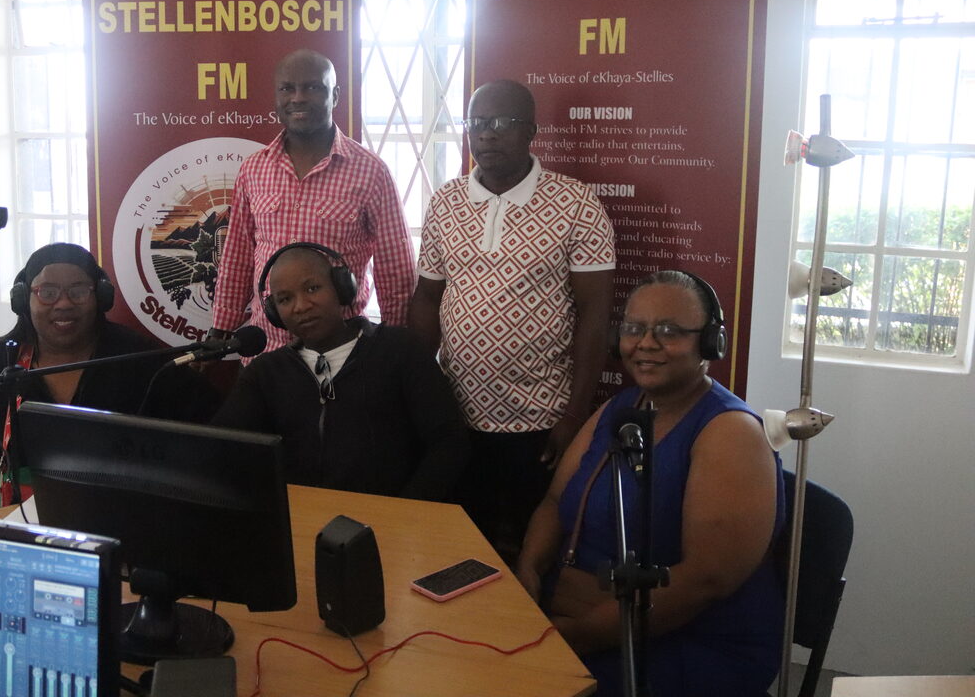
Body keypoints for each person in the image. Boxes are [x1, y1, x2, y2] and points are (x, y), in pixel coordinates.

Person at [515, 271, 785, 697]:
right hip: (577, 623)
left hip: (685, 645)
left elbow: (703, 582)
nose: (646, 343)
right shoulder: (621, 408)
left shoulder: (731, 433)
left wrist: (576, 637)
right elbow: (554, 501)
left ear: (710, 343)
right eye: (634, 329)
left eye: (669, 331)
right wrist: (528, 572)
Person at [408, 79, 615, 561]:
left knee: (533, 548)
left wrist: (573, 416)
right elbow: (426, 300)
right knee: (462, 548)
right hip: (456, 416)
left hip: (542, 420)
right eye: (476, 124)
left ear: (531, 132)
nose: (486, 135)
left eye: (501, 124)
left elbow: (596, 315)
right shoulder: (446, 202)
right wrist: (417, 393)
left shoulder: (576, 204)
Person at [0, 242, 220, 512]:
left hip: (119, 529)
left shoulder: (141, 359)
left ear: (101, 297)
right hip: (8, 534)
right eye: (47, 292)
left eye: (78, 291)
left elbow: (210, 442)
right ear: (23, 299)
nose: (63, 304)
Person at [213, 243, 468, 500]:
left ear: (342, 288)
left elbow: (448, 442)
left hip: (392, 523)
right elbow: (222, 448)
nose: (300, 306)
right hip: (301, 523)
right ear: (273, 313)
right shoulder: (265, 373)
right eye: (285, 299)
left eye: (312, 288)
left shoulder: (400, 350)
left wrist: (406, 512)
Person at [210, 49, 415, 354]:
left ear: (335, 95)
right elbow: (238, 256)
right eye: (287, 88)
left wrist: (394, 346)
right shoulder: (253, 169)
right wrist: (221, 327)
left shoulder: (371, 171)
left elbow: (394, 269)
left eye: (313, 87)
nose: (298, 98)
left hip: (344, 351)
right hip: (268, 349)